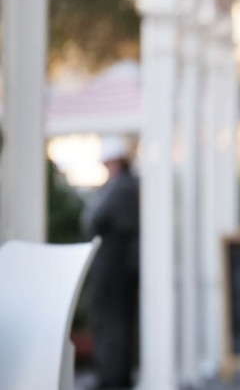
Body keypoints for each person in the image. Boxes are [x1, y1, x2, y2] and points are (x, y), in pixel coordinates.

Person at [82, 135, 140, 389]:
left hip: (114, 265)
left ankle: (112, 376)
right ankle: (114, 374)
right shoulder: (126, 185)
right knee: (116, 320)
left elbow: (93, 218)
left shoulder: (122, 186)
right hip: (118, 264)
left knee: (111, 320)